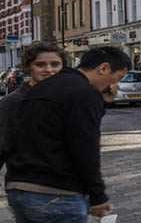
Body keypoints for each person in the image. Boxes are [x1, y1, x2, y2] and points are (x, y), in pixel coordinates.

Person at [5, 45, 130, 222]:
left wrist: (103, 102)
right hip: (56, 193)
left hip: (20, 189)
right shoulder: (84, 92)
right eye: (117, 78)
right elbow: (85, 146)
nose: (114, 85)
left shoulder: (42, 87)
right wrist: (98, 195)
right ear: (103, 68)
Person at [0, 41, 65, 165]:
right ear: (28, 67)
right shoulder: (14, 102)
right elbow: (2, 146)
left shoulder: (68, 99)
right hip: (27, 180)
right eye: (40, 65)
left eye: (55, 64)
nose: (49, 70)